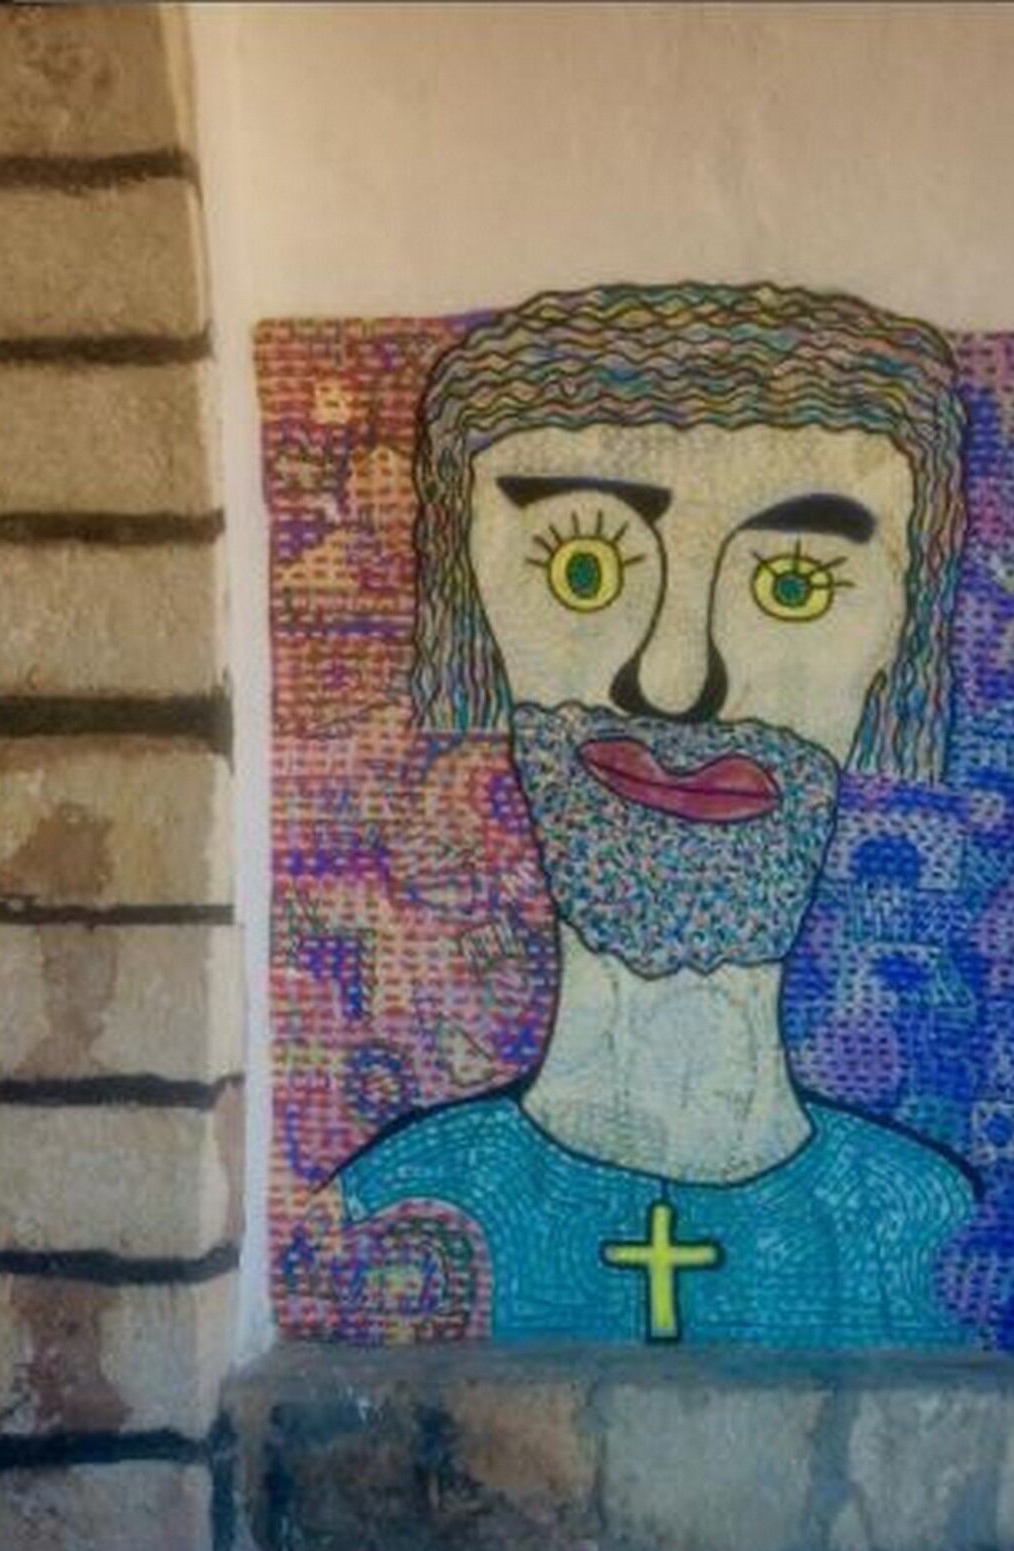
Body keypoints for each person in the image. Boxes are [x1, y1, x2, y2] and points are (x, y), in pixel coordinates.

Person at [340, 283, 979, 1346]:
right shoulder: (397, 1212)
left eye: (795, 583)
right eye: (584, 569)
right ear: (474, 623)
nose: (679, 683)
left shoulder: (930, 1225)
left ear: (895, 652)